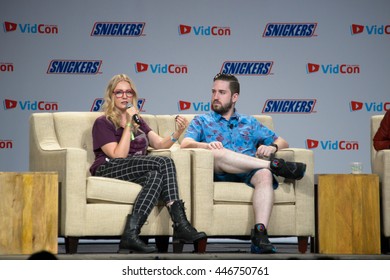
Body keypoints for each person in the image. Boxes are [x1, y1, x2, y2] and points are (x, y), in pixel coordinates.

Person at [180, 73, 306, 254]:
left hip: (248, 172)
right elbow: (186, 143)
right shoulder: (202, 120)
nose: (215, 96)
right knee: (218, 153)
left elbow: (282, 141)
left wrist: (272, 148)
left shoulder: (249, 122)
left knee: (264, 175)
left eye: (222, 92)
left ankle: (260, 235)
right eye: (213, 92)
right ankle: (275, 166)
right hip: (218, 171)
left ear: (234, 97)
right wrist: (206, 145)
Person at [90, 74, 206, 253]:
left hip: (133, 168)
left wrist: (178, 132)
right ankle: (181, 224)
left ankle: (131, 235)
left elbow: (159, 144)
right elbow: (118, 156)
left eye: (128, 92)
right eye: (119, 92)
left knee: (155, 176)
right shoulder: (103, 122)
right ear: (111, 96)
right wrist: (128, 124)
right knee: (164, 162)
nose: (124, 96)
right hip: (108, 167)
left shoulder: (138, 121)